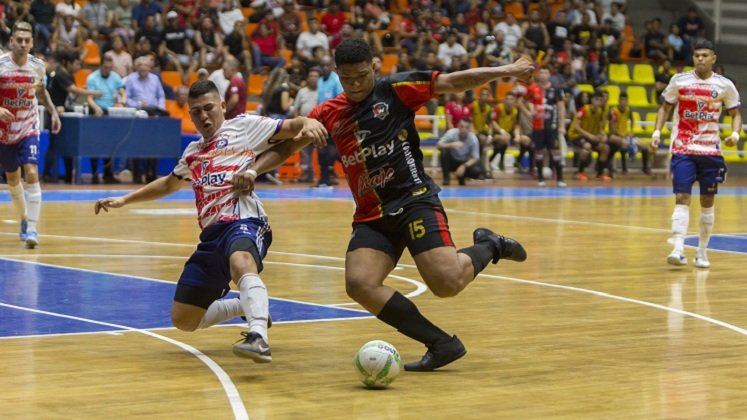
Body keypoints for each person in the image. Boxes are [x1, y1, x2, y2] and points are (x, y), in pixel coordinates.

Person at [249, 39, 532, 371]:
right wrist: (254, 168)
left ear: (375, 66)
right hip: (372, 216)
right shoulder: (328, 113)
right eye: (347, 78)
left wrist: (508, 70)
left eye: (361, 76)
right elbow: (287, 148)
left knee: (446, 283)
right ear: (337, 74)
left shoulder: (395, 89)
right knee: (359, 283)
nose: (355, 85)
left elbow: (454, 81)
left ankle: (491, 244)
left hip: (413, 200)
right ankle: (441, 344)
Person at [94, 79, 328, 362]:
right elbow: (169, 184)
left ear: (222, 106)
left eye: (208, 108)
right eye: (196, 112)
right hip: (211, 236)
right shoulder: (192, 152)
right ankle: (246, 304)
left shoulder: (243, 126)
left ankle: (258, 337)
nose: (203, 116)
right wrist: (124, 200)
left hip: (245, 220)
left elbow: (291, 128)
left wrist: (308, 122)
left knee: (241, 261)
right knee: (184, 318)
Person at [651, 40, 741, 268]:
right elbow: (665, 108)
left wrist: (735, 135)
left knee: (707, 202)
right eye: (697, 55)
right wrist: (656, 131)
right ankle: (678, 248)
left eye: (705, 55)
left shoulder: (724, 85)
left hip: (711, 151)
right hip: (683, 149)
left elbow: (736, 114)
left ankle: (702, 252)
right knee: (682, 197)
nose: (700, 59)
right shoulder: (679, 81)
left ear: (713, 58)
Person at [0, 22, 61, 248]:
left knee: (32, 172)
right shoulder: (1, 65)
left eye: (27, 40)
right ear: (11, 41)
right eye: (19, 40)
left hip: (28, 126)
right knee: (13, 179)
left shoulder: (38, 66)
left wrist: (54, 112)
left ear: (32, 43)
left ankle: (33, 229)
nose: (23, 44)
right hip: (4, 131)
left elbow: (41, 91)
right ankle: (24, 219)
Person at [86, 55, 126, 184]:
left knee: (110, 144)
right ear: (101, 65)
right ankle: (94, 174)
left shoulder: (115, 77)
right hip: (96, 110)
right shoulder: (92, 78)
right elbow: (89, 98)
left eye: (110, 67)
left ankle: (108, 174)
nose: (108, 69)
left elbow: (121, 91)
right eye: (105, 67)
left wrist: (123, 100)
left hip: (111, 111)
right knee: (95, 144)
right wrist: (96, 108)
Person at [525, 66, 567, 187]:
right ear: (538, 75)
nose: (543, 74)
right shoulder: (533, 88)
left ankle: (560, 179)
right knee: (539, 152)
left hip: (552, 126)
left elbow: (561, 107)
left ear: (549, 75)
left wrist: (562, 125)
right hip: (538, 127)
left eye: (546, 72)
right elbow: (522, 102)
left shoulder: (556, 89)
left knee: (555, 152)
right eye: (541, 72)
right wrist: (528, 111)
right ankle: (541, 179)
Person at [437, 117, 483, 185]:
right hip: (451, 161)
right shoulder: (451, 133)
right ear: (458, 126)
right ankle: (446, 178)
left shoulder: (473, 139)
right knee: (444, 152)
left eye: (466, 127)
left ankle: (462, 178)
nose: (463, 129)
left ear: (470, 129)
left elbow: (476, 158)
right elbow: (438, 145)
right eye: (461, 126)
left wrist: (464, 166)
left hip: (463, 161)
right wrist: (451, 144)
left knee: (477, 170)